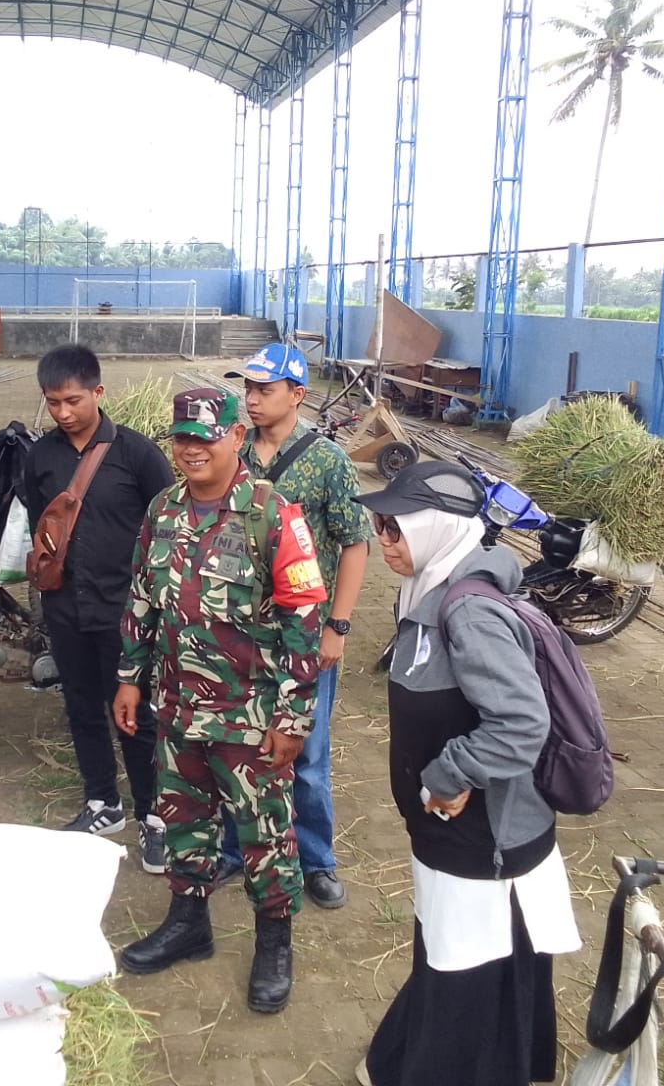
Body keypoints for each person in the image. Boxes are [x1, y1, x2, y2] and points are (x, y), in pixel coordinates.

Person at [351, 461, 581, 1086]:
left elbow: (520, 724)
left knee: (468, 970)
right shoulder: (429, 588)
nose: (384, 541)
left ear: (437, 528)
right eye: (380, 526)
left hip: (487, 838)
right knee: (456, 957)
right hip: (451, 831)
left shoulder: (469, 614)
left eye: (396, 528)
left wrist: (451, 774)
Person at [114, 385, 326, 1014]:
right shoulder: (163, 508)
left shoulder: (271, 514)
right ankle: (189, 923)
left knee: (264, 833)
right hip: (178, 708)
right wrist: (130, 677)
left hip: (249, 717)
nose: (191, 449)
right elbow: (143, 598)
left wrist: (293, 717)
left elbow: (304, 621)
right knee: (183, 820)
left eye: (204, 437)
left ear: (236, 437)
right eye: (182, 438)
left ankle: (274, 942)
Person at [218, 342, 371, 909]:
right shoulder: (231, 451)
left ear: (297, 394)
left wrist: (338, 626)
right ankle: (234, 849)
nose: (252, 399)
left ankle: (315, 859)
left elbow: (355, 544)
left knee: (305, 753)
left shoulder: (327, 461)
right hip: (238, 631)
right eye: (248, 389)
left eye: (265, 389)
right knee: (236, 742)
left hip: (303, 634)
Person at [24, 345, 175, 868]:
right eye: (53, 403)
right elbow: (39, 521)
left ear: (98, 393)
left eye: (73, 401)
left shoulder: (138, 454)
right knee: (82, 704)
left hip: (126, 612)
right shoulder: (40, 456)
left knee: (136, 712)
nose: (63, 413)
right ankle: (102, 802)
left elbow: (166, 526)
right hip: (65, 608)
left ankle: (153, 815)